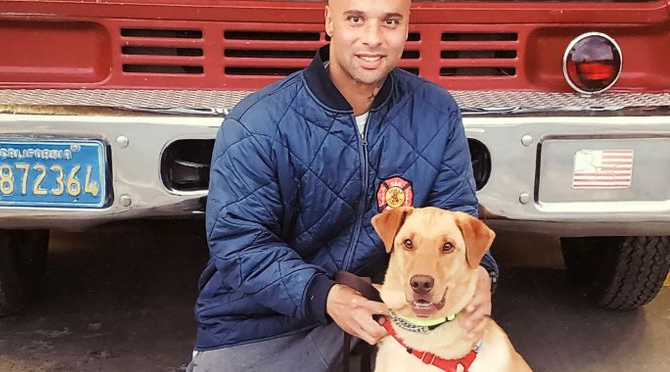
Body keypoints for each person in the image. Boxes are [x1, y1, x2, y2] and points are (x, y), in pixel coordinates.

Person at [187, 0, 498, 370]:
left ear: (407, 26)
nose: (373, 39)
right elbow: (238, 242)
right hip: (265, 322)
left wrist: (481, 273)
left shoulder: (436, 111)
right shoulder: (258, 123)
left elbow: (456, 217)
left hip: (393, 316)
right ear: (329, 21)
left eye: (390, 21)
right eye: (356, 19)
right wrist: (326, 296)